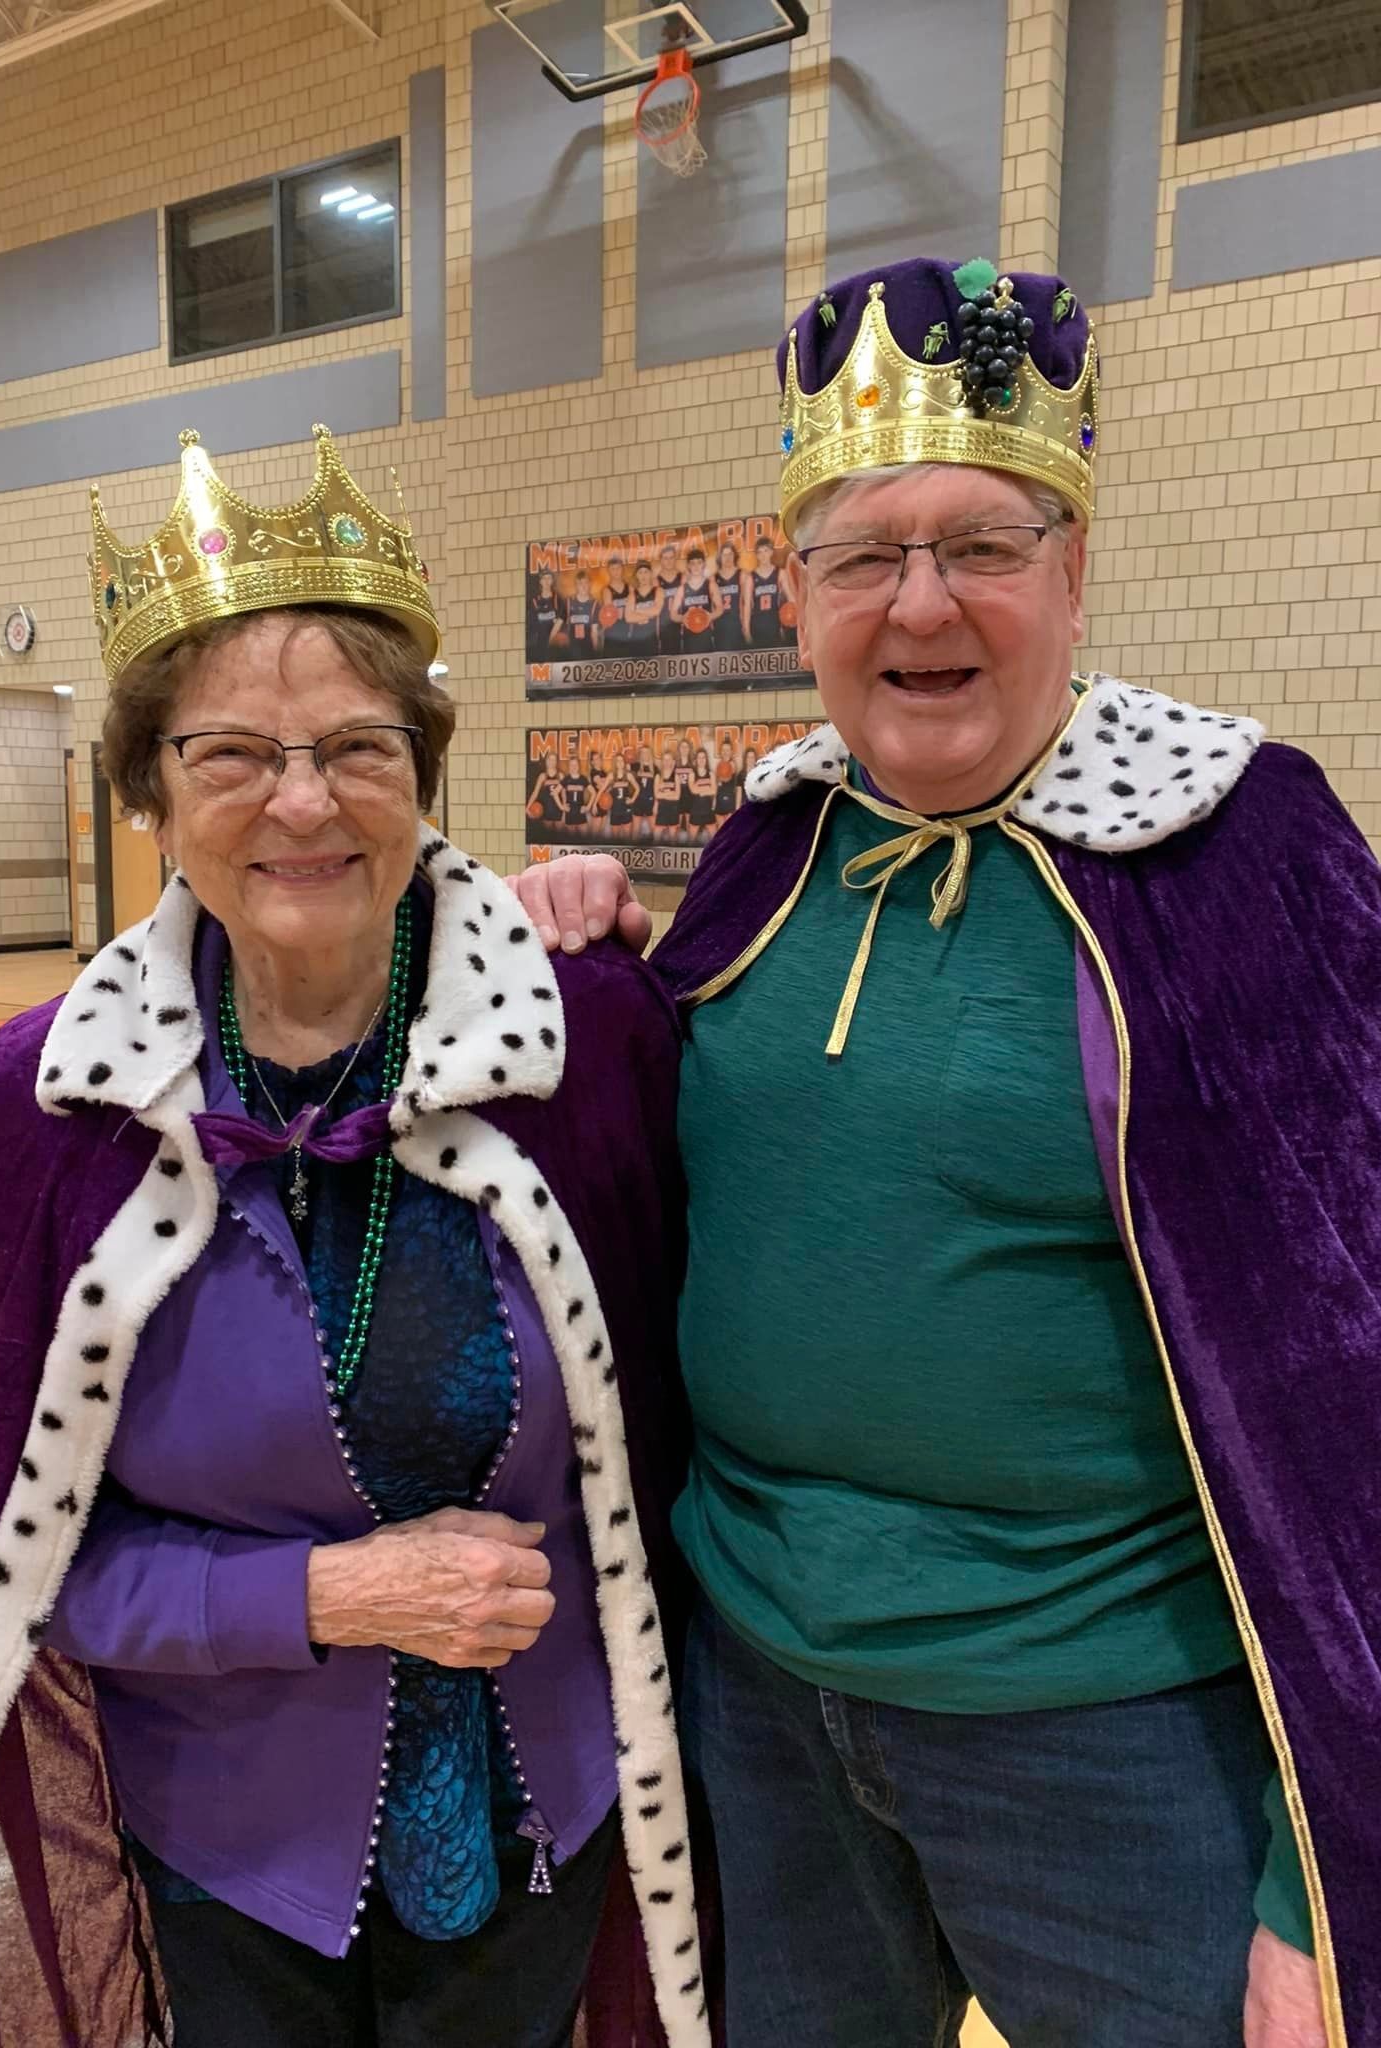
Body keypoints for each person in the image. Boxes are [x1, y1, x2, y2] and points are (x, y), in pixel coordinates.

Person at [509, 258, 1381, 2048]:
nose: (921, 599)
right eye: (861, 555)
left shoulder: (1243, 855)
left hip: (1116, 1730)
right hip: (759, 1700)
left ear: (1073, 567)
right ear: (799, 592)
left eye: (982, 543)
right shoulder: (766, 848)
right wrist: (583, 942)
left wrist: (1323, 1875)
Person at [0, 425, 714, 2048]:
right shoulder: (45, 1110)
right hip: (223, 1857)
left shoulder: (587, 1047)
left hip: (546, 1835)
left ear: (422, 770)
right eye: (230, 756)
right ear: (150, 790)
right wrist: (328, 1593)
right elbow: (30, 1571)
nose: (300, 801)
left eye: (358, 745)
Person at [742, 537, 783, 649]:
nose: (763, 555)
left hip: (775, 622)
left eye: (765, 551)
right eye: (759, 552)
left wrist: (790, 621)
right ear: (756, 555)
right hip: (757, 624)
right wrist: (746, 628)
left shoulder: (780, 573)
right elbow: (747, 605)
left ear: (771, 552)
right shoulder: (751, 577)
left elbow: (791, 600)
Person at [673, 550, 714, 654]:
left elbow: (720, 609)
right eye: (693, 563)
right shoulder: (682, 589)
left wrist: (710, 616)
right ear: (688, 566)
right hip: (689, 635)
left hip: (706, 634)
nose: (696, 566)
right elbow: (673, 614)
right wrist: (682, 618)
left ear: (704, 564)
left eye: (699, 562)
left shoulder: (710, 585)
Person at [709, 543, 744, 653]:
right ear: (720, 557)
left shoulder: (742, 574)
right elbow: (710, 604)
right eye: (724, 555)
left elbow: (747, 601)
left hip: (737, 622)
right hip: (720, 624)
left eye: (730, 554)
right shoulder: (713, 578)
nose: (728, 558)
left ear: (735, 556)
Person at [527, 570, 565, 661]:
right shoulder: (535, 600)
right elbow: (532, 624)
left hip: (555, 644)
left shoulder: (557, 598)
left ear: (552, 581)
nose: (547, 581)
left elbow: (562, 619)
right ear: (540, 581)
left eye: (549, 578)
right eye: (544, 578)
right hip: (539, 644)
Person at [525, 746, 565, 831]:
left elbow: (564, 794)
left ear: (556, 762)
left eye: (554, 760)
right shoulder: (542, 776)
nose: (552, 762)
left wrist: (564, 808)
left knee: (561, 835)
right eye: (550, 759)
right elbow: (535, 793)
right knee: (549, 835)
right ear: (546, 761)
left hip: (558, 809)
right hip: (546, 809)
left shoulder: (561, 775)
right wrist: (527, 807)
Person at [628, 561, 664, 655]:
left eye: (646, 572)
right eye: (640, 572)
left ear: (651, 574)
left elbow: (656, 611)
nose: (643, 576)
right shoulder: (632, 595)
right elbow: (629, 617)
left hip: (653, 639)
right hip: (636, 639)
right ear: (636, 575)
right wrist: (648, 615)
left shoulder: (658, 591)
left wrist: (637, 611)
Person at [655, 544, 685, 657]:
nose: (668, 561)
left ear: (675, 558)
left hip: (681, 625)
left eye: (671, 557)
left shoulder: (683, 577)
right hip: (664, 627)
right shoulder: (655, 581)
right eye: (665, 558)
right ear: (661, 560)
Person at [565, 569, 600, 655]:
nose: (583, 586)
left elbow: (594, 631)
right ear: (576, 586)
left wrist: (596, 652)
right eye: (580, 583)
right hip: (570, 648)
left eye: (586, 583)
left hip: (588, 648)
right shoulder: (568, 602)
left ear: (590, 584)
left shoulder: (595, 604)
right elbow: (560, 625)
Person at [685, 748, 716, 843]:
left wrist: (701, 791)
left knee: (715, 840)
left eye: (703, 758)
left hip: (708, 810)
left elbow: (714, 791)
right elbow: (693, 790)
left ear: (706, 760)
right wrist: (707, 789)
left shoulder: (711, 774)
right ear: (696, 760)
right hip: (696, 811)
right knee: (691, 840)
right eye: (699, 758)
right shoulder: (692, 774)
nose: (701, 760)